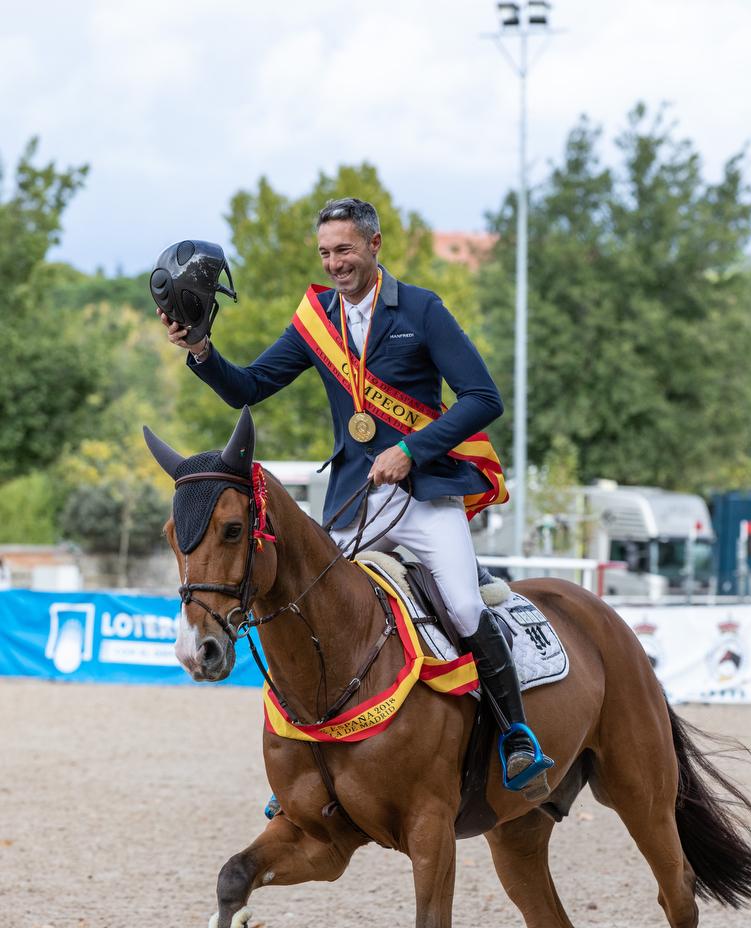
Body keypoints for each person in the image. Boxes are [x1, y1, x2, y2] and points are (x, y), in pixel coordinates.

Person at [159, 197, 551, 789]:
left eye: (344, 249)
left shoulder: (422, 309)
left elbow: (482, 398)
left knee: (466, 608)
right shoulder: (317, 319)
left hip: (423, 495)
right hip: (354, 495)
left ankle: (516, 735)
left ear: (374, 246)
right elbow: (251, 385)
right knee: (303, 602)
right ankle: (306, 754)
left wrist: (412, 449)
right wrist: (200, 351)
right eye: (325, 253)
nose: (335, 263)